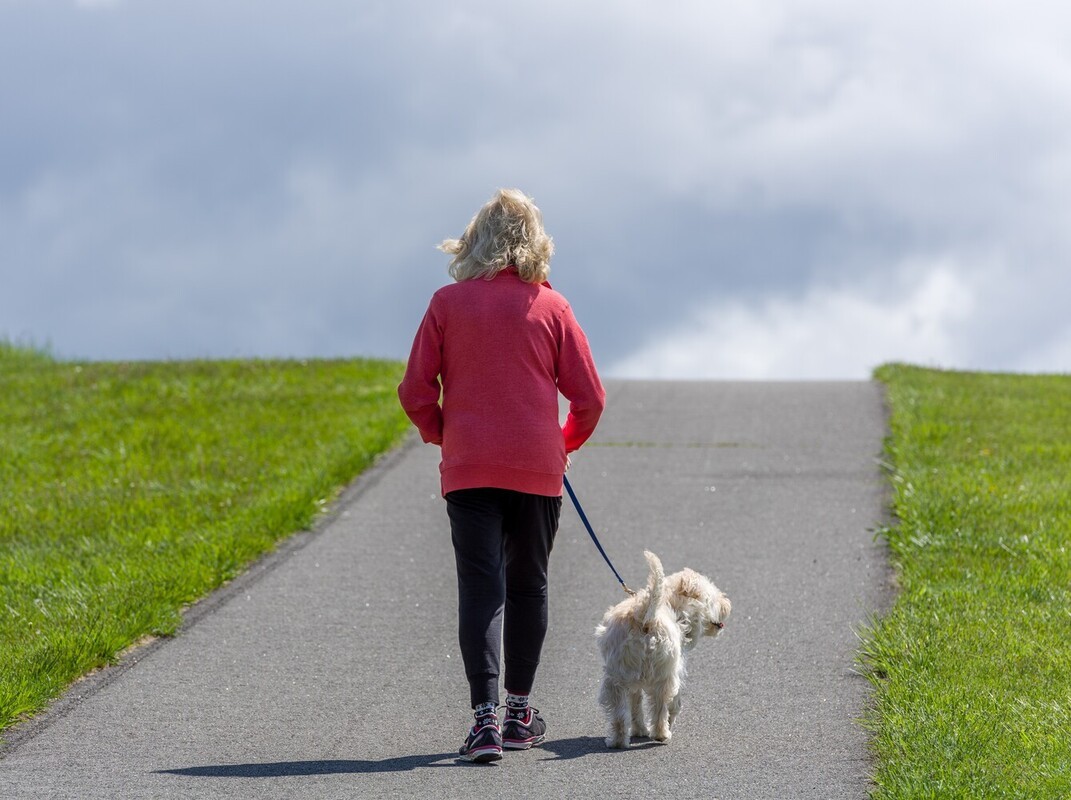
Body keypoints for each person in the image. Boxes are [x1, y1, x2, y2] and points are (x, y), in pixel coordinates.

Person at [397, 188, 606, 763]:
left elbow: (415, 391)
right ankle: (519, 713)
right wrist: (561, 446)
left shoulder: (446, 304)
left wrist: (446, 434)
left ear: (475, 242)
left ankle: (483, 720)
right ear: (535, 245)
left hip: (468, 470)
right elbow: (589, 400)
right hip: (538, 470)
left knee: (481, 589)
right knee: (529, 585)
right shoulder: (551, 307)